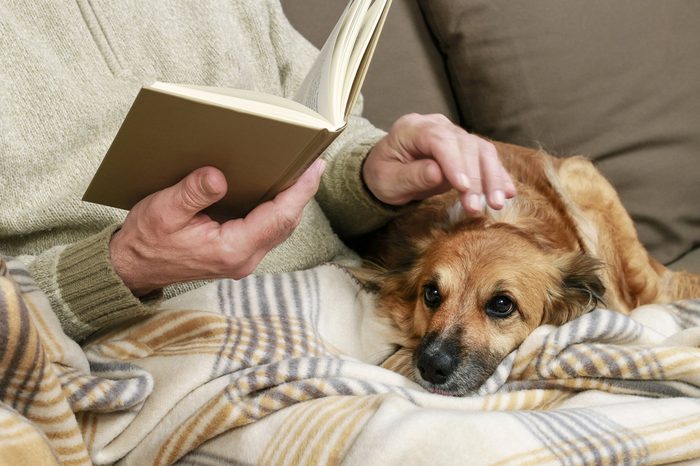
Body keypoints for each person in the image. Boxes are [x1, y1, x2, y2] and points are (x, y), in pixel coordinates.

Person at [0, 0, 515, 343]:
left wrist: (370, 176)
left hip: (363, 304)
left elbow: (315, 133)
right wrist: (127, 265)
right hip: (162, 347)